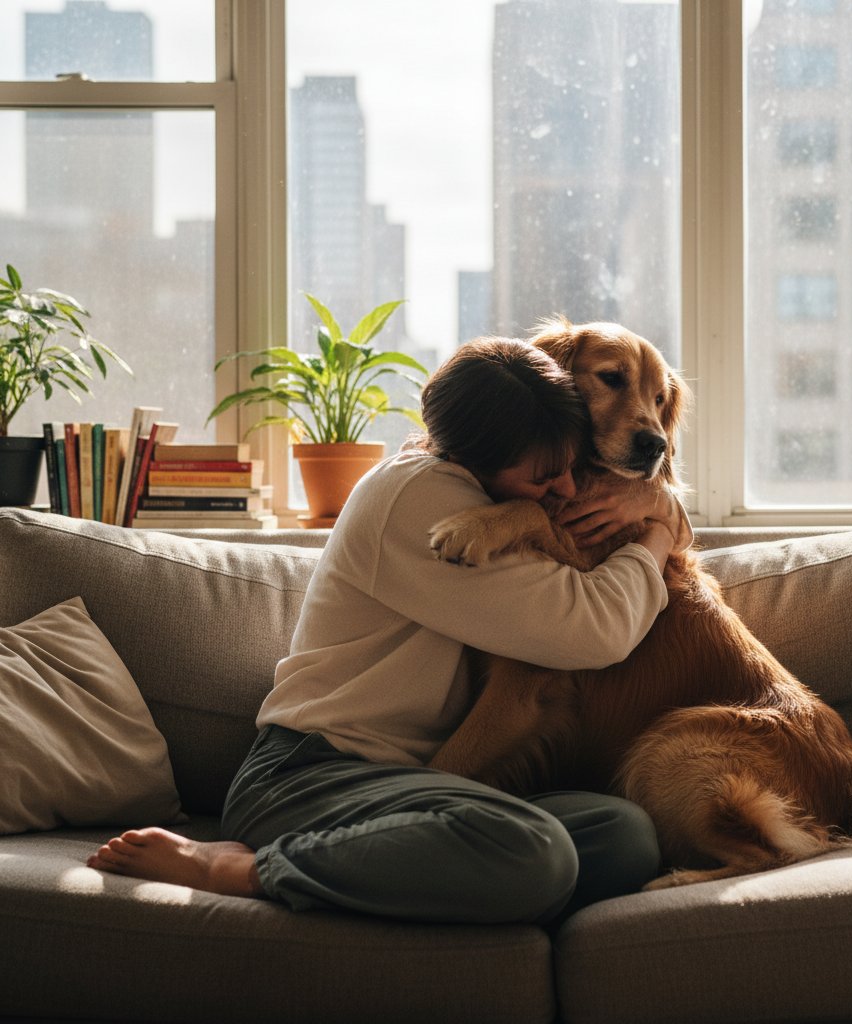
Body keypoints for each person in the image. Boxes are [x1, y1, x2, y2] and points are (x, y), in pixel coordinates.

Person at [87, 337, 688, 924]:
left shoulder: (491, 488)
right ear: (475, 462)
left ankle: (441, 877)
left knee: (626, 834)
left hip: (418, 787)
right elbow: (595, 630)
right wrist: (658, 532)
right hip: (311, 775)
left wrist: (658, 505)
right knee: (537, 852)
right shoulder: (425, 501)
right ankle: (241, 870)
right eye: (545, 477)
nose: (565, 491)